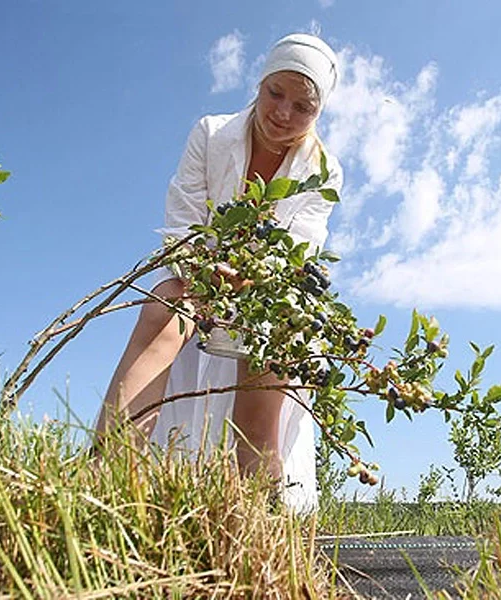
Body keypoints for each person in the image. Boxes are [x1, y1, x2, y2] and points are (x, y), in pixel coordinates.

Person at [95, 33, 342, 512]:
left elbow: (301, 248)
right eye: (276, 93)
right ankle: (109, 478)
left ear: (319, 112)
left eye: (303, 106)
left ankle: (258, 506)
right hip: (199, 277)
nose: (283, 113)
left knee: (274, 346)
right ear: (261, 82)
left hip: (267, 291)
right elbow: (183, 218)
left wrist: (255, 279)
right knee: (162, 307)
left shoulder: (324, 169)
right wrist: (208, 270)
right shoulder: (210, 134)